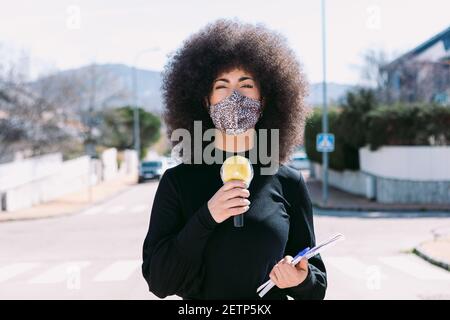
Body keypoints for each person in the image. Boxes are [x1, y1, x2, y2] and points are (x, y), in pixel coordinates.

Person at [142, 18, 327, 300]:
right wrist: (207, 217)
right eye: (222, 86)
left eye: (246, 84)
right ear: (206, 100)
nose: (235, 96)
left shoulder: (287, 181)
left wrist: (300, 279)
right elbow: (160, 282)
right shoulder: (178, 182)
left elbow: (316, 287)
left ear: (264, 99)